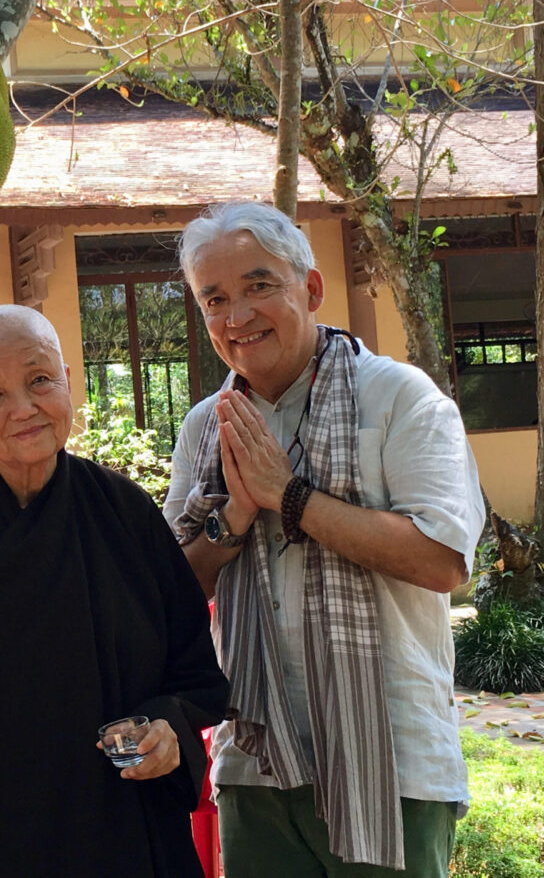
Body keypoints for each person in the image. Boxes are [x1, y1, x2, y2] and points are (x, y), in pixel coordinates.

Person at [163, 201, 485, 876]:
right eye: (214, 298)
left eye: (259, 286)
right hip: (256, 760)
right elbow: (171, 591)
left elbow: (441, 560)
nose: (237, 316)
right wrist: (233, 519)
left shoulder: (399, 399)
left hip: (390, 762)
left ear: (309, 289)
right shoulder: (205, 427)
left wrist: (291, 497)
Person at [0, 304, 229, 877]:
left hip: (125, 828)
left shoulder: (124, 511)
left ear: (67, 381)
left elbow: (193, 674)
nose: (24, 409)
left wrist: (165, 730)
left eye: (39, 380)